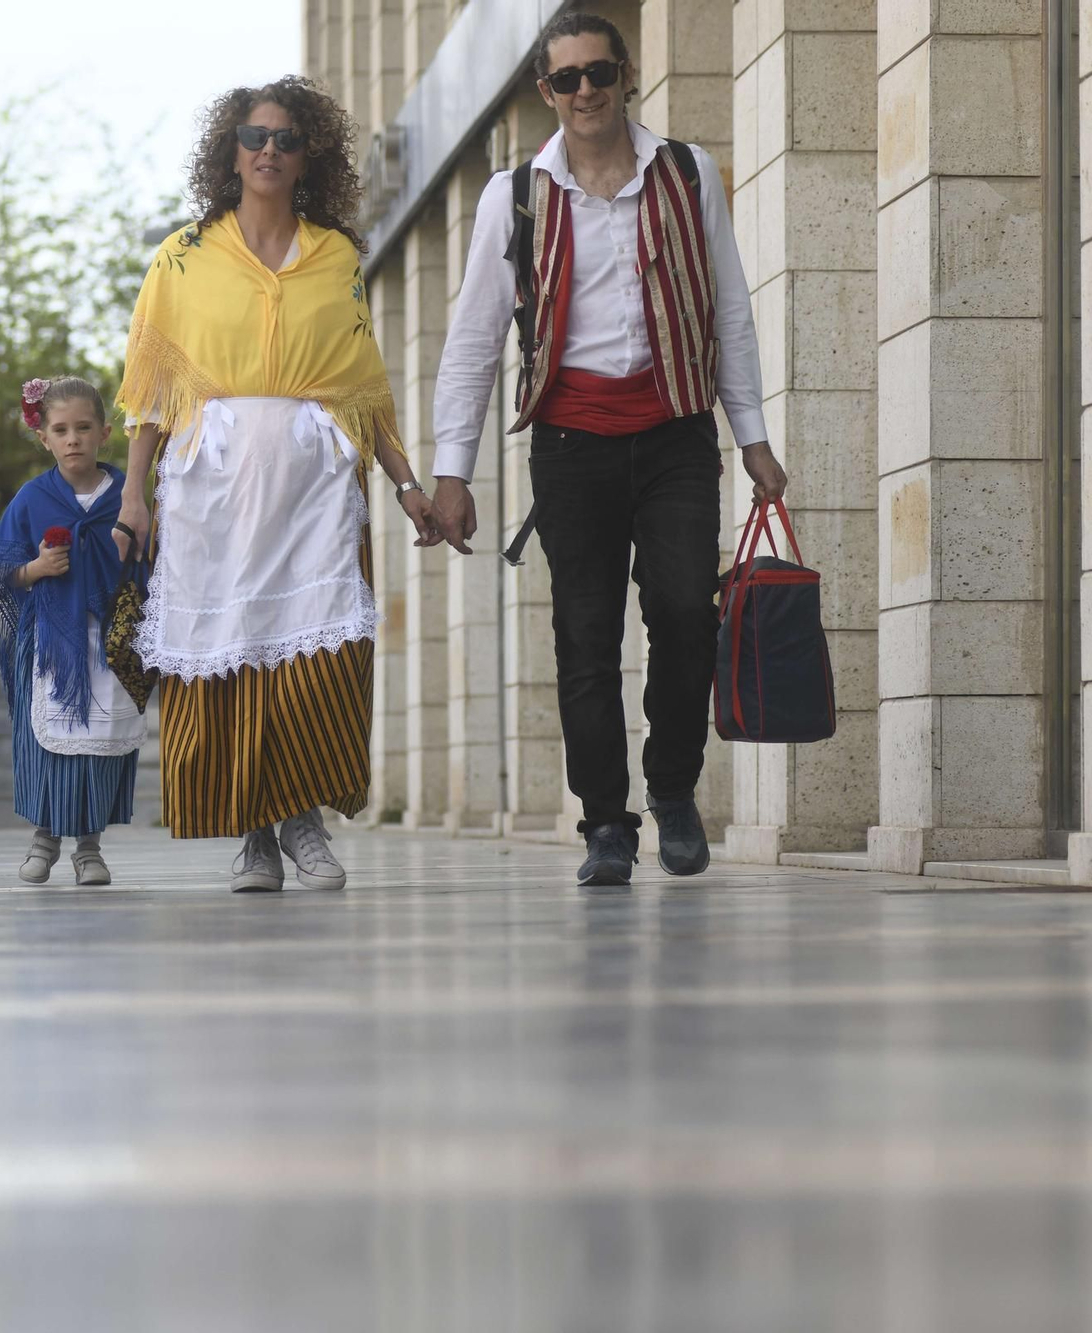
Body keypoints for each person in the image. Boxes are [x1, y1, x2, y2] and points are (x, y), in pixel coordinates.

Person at [426, 11, 788, 887]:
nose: (584, 91)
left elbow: (727, 310)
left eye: (598, 73)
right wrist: (450, 470)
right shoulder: (513, 194)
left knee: (684, 614)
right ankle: (604, 824)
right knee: (584, 640)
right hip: (570, 442)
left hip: (674, 432)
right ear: (545, 92)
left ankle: (671, 791)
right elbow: (474, 337)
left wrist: (754, 438)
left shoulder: (688, 172)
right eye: (565, 80)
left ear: (626, 75)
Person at [113, 76, 436, 893]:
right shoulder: (182, 257)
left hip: (315, 488)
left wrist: (405, 485)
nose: (268, 150)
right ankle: (255, 835)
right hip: (211, 490)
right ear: (230, 151)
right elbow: (150, 385)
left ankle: (306, 821)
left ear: (307, 157)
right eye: (253, 136)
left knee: (320, 657)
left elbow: (365, 387)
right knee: (228, 654)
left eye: (285, 139)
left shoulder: (338, 257)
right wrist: (133, 494)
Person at [0, 377, 144, 886]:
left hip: (112, 640)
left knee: (103, 742)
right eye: (61, 429)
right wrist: (37, 568)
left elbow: (151, 563)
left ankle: (90, 848)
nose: (73, 439)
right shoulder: (32, 498)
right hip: (52, 640)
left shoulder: (126, 498)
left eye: (84, 428)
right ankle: (44, 837)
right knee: (47, 744)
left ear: (104, 433)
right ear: (43, 437)